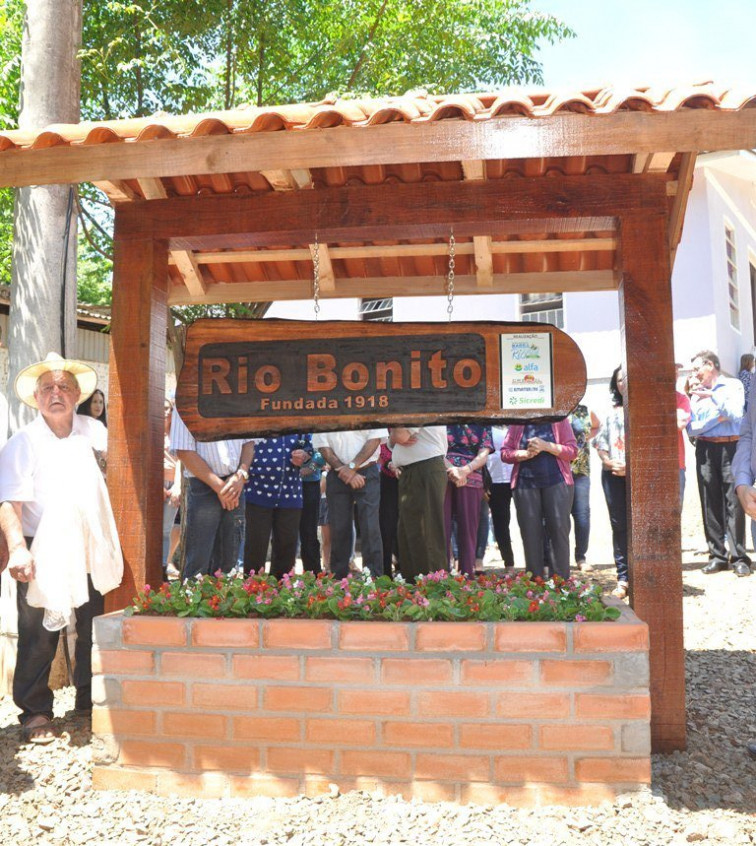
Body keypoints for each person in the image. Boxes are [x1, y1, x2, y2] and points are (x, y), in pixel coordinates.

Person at [0, 353, 121, 744]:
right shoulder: (23, 441)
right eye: (48, 388)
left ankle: (88, 703)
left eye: (64, 387)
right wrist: (18, 549)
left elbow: (118, 476)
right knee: (37, 631)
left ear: (77, 394)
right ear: (36, 397)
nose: (56, 393)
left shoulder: (95, 431)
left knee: (93, 624)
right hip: (40, 545)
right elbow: (9, 501)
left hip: (90, 542)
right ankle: (34, 711)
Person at [170, 409, 255, 580]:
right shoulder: (186, 403)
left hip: (235, 484)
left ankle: (225, 596)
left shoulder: (240, 401)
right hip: (203, 485)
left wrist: (241, 475)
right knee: (198, 563)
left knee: (229, 563)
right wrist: (221, 487)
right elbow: (183, 450)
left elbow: (249, 442)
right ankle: (193, 596)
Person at [687, 350, 750, 576]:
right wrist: (717, 418)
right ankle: (717, 556)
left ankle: (739, 557)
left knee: (734, 502)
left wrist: (713, 397)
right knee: (709, 501)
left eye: (697, 369)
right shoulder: (696, 394)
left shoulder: (733, 386)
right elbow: (692, 429)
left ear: (711, 365)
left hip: (731, 447)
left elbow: (735, 413)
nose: (694, 374)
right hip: (705, 449)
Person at [501, 420, 577, 581]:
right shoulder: (518, 422)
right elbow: (505, 453)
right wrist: (523, 454)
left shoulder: (559, 419)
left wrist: (546, 446)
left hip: (557, 482)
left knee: (558, 531)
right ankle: (535, 583)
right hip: (524, 484)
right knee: (530, 534)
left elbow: (572, 451)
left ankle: (560, 584)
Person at [312, 428, 385, 579]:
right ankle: (339, 579)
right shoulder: (325, 413)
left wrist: (351, 467)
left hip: (367, 471)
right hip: (336, 473)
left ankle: (374, 579)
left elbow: (375, 438)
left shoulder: (370, 410)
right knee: (339, 527)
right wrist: (344, 470)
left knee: (370, 526)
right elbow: (322, 445)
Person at [243, 434, 311, 578]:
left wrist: (305, 456)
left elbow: (311, 449)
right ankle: (252, 588)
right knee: (256, 545)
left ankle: (281, 589)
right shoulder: (255, 423)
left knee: (287, 545)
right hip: (257, 491)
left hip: (291, 493)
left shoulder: (299, 425)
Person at [388, 426, 448, 582]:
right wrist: (394, 437)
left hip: (425, 468)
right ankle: (414, 585)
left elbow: (399, 436)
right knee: (408, 533)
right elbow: (393, 440)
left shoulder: (417, 409)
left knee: (427, 532)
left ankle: (434, 587)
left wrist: (394, 436)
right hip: (411, 470)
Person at [594, 366, 629, 598]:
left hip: (640, 476)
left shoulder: (646, 411)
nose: (622, 383)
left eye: (625, 378)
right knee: (619, 526)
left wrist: (631, 467)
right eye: (619, 380)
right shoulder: (610, 413)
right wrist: (609, 462)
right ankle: (623, 578)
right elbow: (600, 445)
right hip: (613, 475)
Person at [444, 425, 493, 576]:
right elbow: (435, 449)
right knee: (442, 526)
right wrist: (453, 470)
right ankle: (441, 575)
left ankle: (466, 573)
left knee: (468, 528)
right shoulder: (440, 417)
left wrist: (464, 470)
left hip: (470, 475)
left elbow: (484, 454)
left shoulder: (482, 422)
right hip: (444, 473)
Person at [569, 404, 599, 570]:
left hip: (581, 470)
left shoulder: (585, 410)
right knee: (558, 517)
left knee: (582, 515)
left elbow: (596, 425)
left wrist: (585, 438)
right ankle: (557, 558)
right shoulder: (555, 410)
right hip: (559, 470)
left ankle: (581, 557)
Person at [486, 426, 515, 568]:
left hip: (519, 477)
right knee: (501, 523)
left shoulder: (516, 423)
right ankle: (509, 563)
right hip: (495, 480)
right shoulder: (486, 426)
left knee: (529, 521)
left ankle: (537, 563)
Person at [299, 443, 326, 573]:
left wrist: (311, 467)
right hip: (287, 483)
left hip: (310, 485)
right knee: (284, 529)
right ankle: (282, 575)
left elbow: (323, 452)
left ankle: (313, 574)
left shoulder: (313, 432)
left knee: (309, 530)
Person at [162, 399, 182, 579]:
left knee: (167, 529)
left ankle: (164, 566)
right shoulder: (153, 432)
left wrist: (177, 485)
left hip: (173, 484)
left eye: (170, 409)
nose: (167, 412)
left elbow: (181, 460)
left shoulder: (177, 434)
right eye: (164, 408)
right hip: (156, 483)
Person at [378, 442, 400, 577]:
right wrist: (390, 463)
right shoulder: (385, 432)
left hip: (411, 476)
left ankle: (404, 569)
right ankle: (385, 572)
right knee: (386, 527)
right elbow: (380, 446)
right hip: (388, 480)